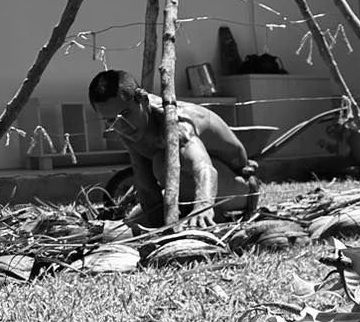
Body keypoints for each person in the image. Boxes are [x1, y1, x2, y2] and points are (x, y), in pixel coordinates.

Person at [88, 69, 257, 227]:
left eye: (125, 114)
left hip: (240, 186)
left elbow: (204, 168)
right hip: (190, 184)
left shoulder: (175, 122)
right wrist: (151, 219)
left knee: (164, 164)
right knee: (135, 220)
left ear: (144, 100)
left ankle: (209, 216)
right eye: (110, 121)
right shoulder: (128, 126)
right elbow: (144, 181)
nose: (121, 126)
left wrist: (203, 207)